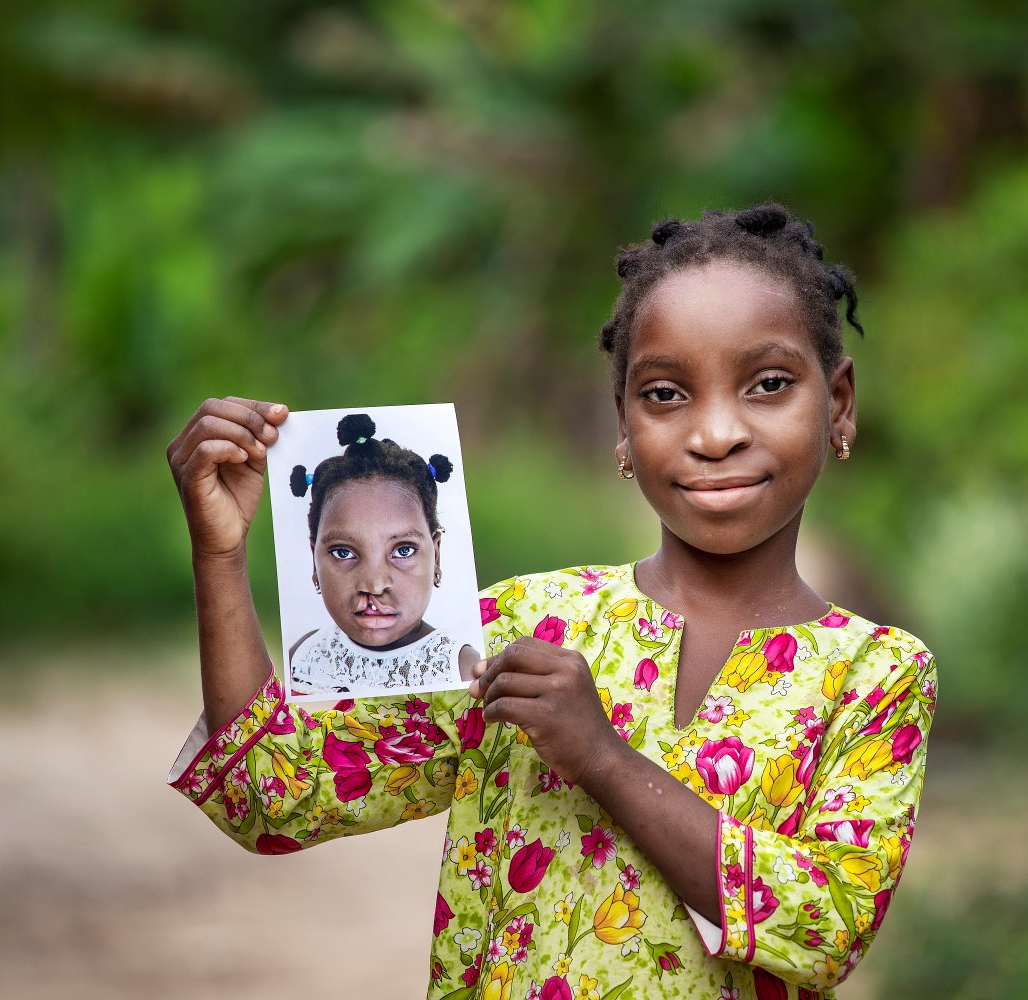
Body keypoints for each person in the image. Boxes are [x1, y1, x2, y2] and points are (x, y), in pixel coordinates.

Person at [164, 203, 938, 1000]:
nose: (714, 433)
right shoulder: (517, 628)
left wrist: (600, 756)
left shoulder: (874, 675)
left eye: (768, 385)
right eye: (666, 394)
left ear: (838, 403)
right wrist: (219, 555)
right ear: (624, 428)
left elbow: (824, 927)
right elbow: (272, 796)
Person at [283, 411, 478, 697]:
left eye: (403, 550)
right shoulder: (302, 659)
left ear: (436, 556)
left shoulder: (463, 670)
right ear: (314, 560)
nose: (373, 585)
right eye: (343, 552)